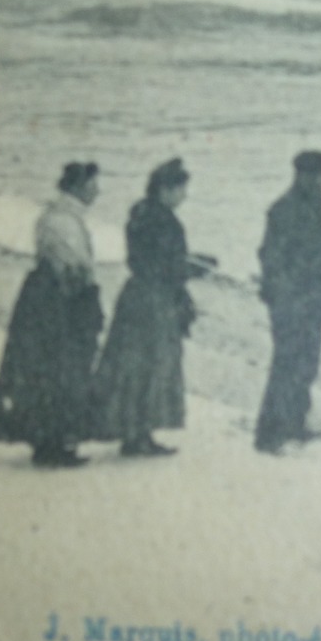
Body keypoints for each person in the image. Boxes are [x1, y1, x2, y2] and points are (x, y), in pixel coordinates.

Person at [0, 162, 106, 467]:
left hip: (45, 298)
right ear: (79, 187)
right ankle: (53, 443)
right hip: (58, 301)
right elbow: (75, 268)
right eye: (93, 185)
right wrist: (88, 301)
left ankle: (49, 440)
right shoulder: (64, 220)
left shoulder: (56, 216)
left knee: (46, 369)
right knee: (60, 370)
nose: (98, 191)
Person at [93, 157, 197, 457]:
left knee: (130, 365)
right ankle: (140, 435)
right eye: (181, 189)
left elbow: (142, 260)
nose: (184, 195)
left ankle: (132, 431)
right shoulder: (165, 220)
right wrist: (192, 270)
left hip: (136, 294)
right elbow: (168, 267)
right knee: (155, 364)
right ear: (165, 189)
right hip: (156, 299)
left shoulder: (139, 214)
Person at [254, 150, 321, 453]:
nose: (319, 182)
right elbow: (270, 258)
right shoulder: (284, 209)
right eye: (314, 176)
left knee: (307, 362)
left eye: (320, 176)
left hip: (312, 299)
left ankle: (295, 422)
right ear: (301, 175)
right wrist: (284, 299)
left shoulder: (314, 204)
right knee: (286, 363)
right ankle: (269, 434)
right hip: (290, 301)